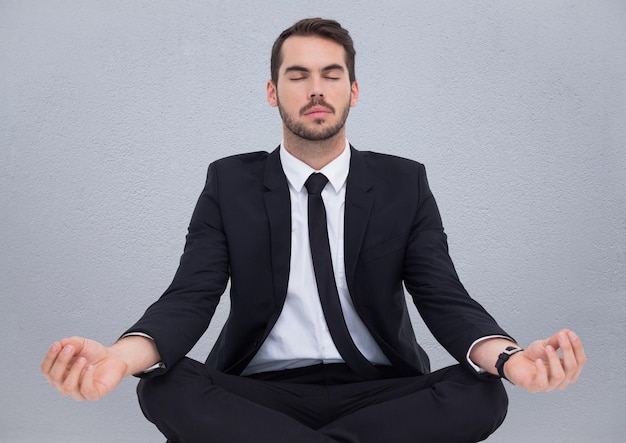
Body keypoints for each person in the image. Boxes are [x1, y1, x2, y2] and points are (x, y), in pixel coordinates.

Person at [41, 18, 586, 443]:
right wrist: (117, 357)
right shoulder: (229, 181)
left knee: (484, 394)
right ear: (273, 92)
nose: (316, 90)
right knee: (164, 386)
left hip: (383, 391)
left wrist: (514, 361)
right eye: (297, 75)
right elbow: (190, 295)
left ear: (353, 89)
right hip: (256, 392)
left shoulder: (404, 182)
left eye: (330, 75)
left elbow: (444, 297)